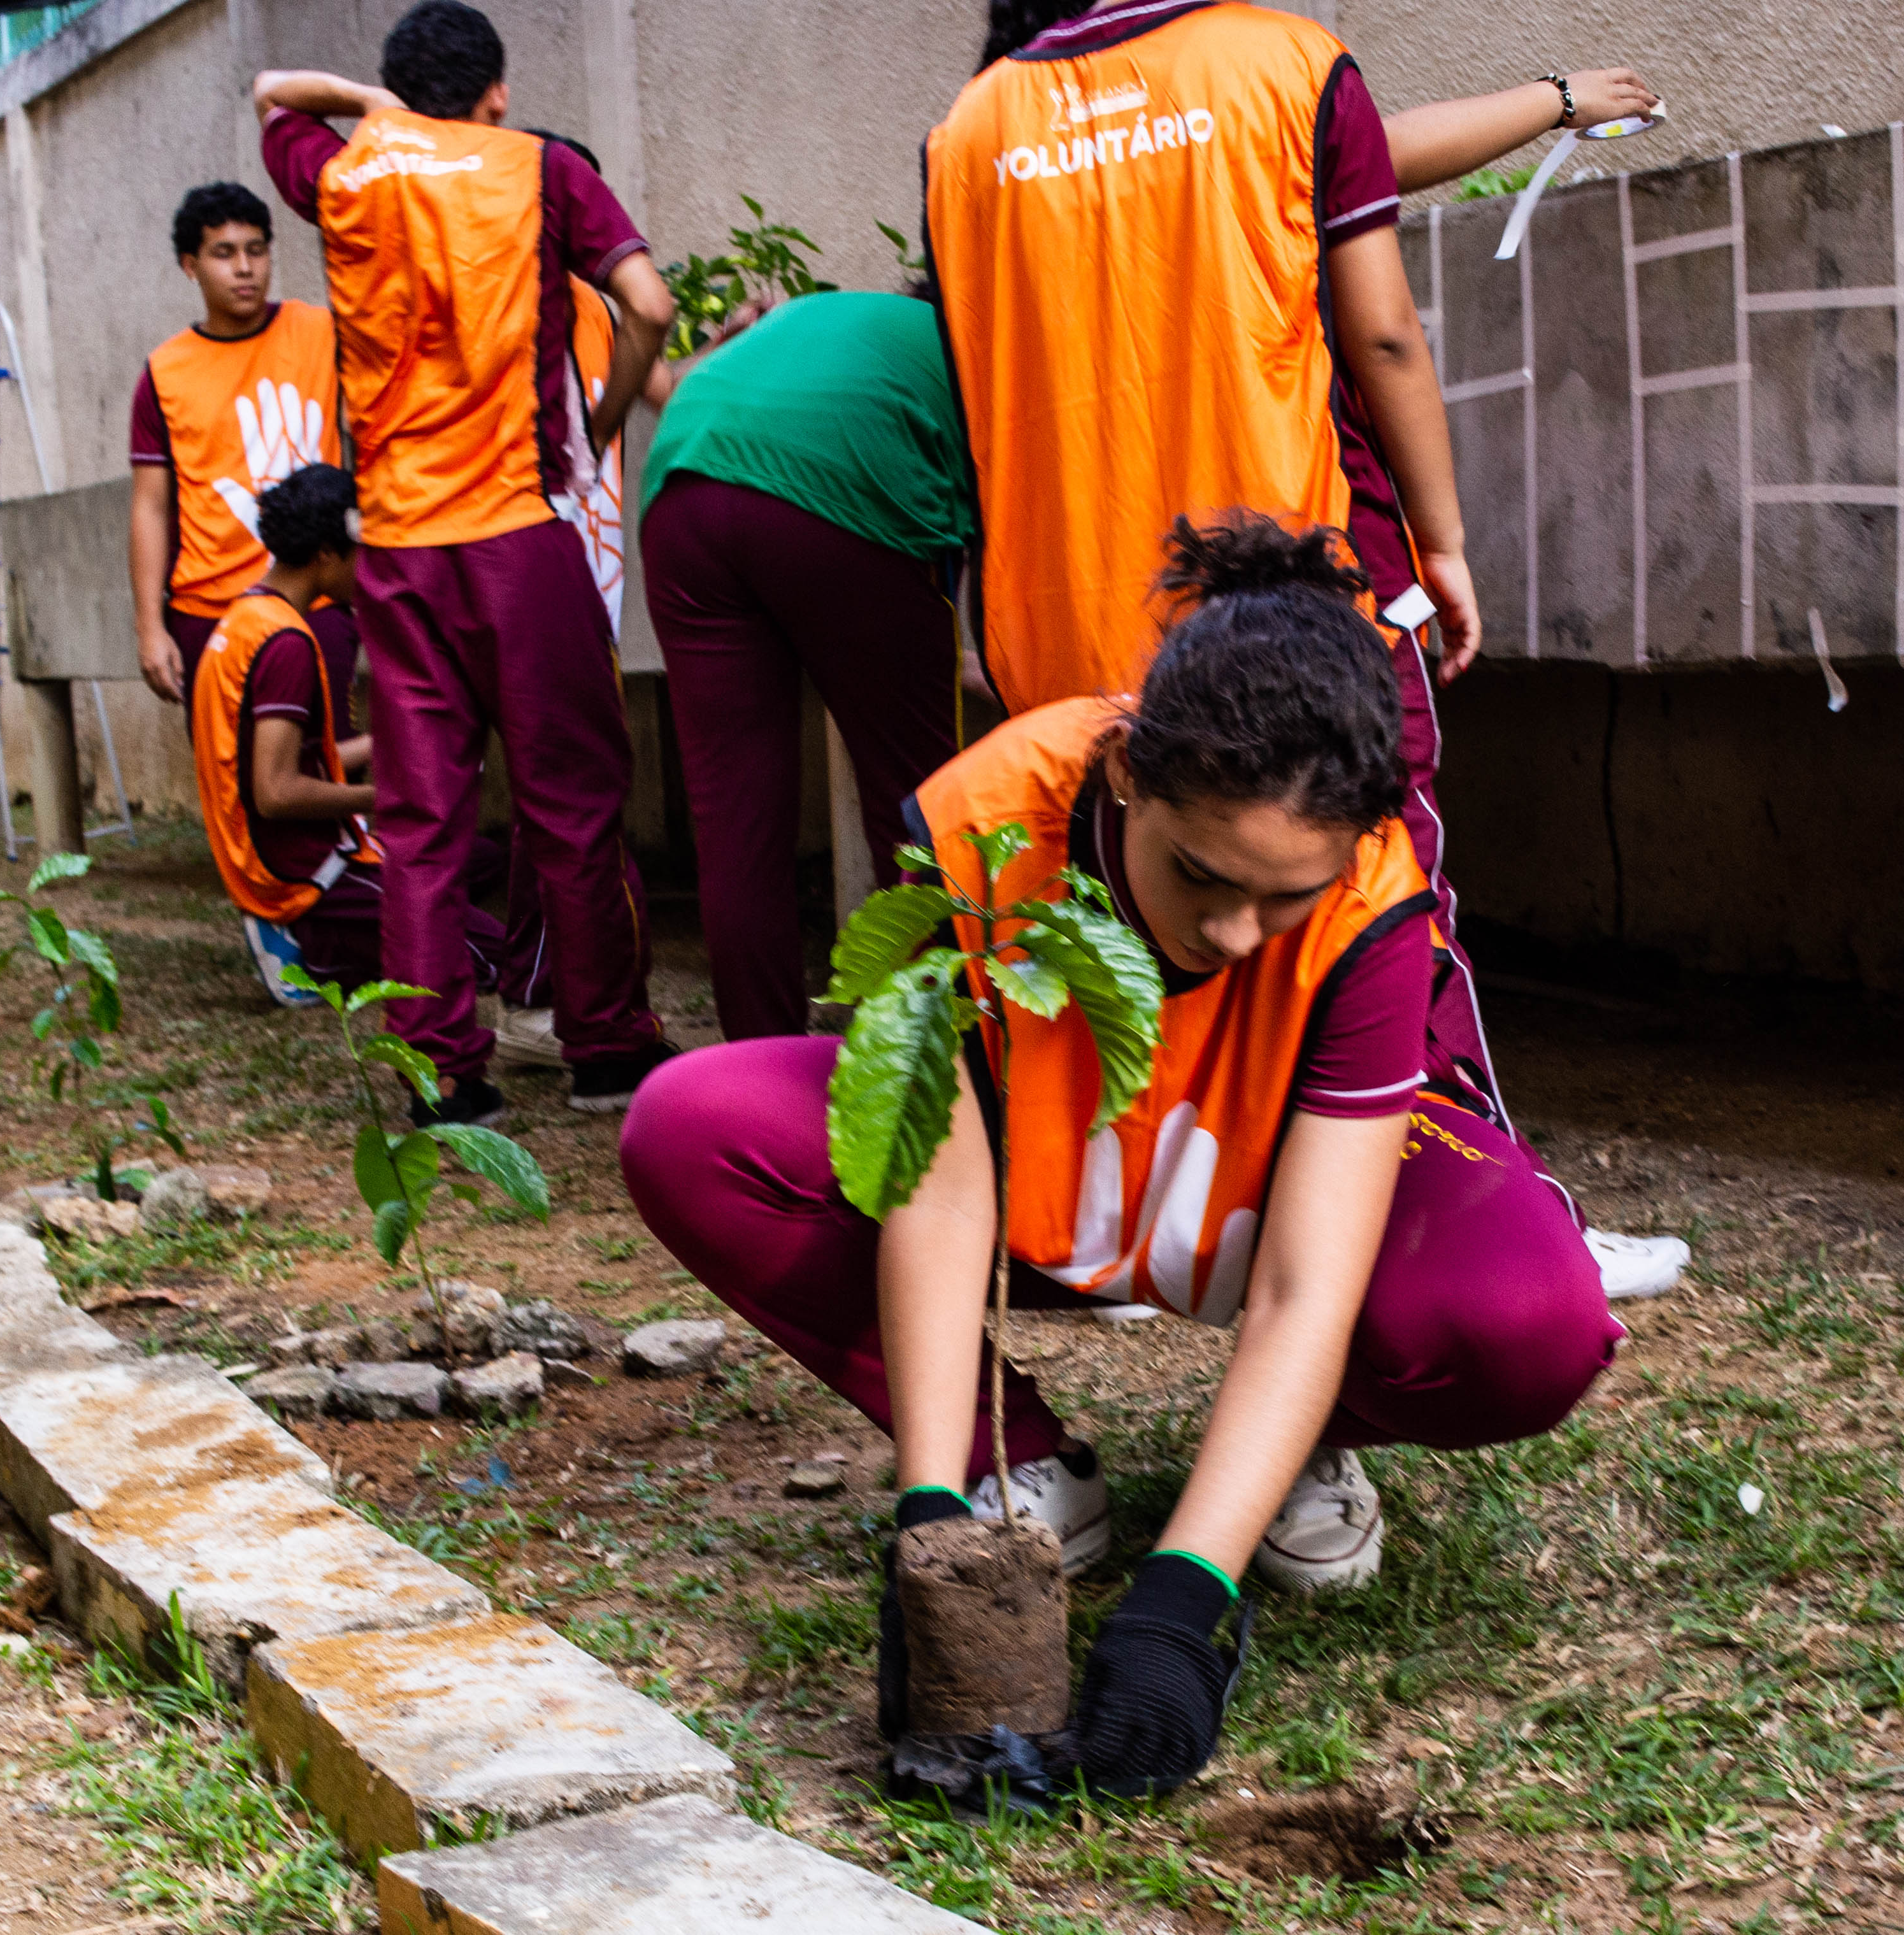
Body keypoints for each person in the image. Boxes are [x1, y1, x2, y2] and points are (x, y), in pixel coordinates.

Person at [620, 517, 1630, 1796]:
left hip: (1261, 1201)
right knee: (692, 1128)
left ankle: (1294, 1441)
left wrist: (1182, 1598)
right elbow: (937, 1173)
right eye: (1202, 876)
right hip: (1067, 1186)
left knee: (1529, 1318)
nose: (1239, 933)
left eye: (1287, 899)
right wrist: (936, 1512)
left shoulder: (1373, 898)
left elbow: (1310, 1281)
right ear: (1124, 778)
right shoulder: (988, 822)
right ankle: (1022, 1467)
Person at [930, 2, 1661, 1125]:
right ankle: (1449, 1200)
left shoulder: (967, 131)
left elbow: (978, 389)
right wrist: (1445, 542)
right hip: (1288, 601)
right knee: (1373, 879)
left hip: (1063, 603)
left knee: (1123, 899)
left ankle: (1121, 1210)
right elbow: (1380, 336)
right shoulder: (1283, 61)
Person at [251, 1, 676, 1126]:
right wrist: (604, 409)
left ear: (397, 89)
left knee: (424, 817)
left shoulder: (348, 174)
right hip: (517, 534)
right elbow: (648, 303)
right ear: (497, 91)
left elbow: (275, 96)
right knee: (574, 802)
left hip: (395, 548)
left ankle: (445, 1075)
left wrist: (369, 110)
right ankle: (606, 1053)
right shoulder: (538, 168)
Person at [633, 288, 971, 1043]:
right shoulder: (974, 346)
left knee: (735, 819)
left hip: (683, 490)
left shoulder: (828, 313)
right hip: (840, 499)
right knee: (915, 803)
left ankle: (760, 1055)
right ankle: (928, 1047)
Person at [129, 182, 350, 717]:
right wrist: (150, 628)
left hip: (315, 601)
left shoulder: (323, 332)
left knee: (326, 772)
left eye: (256, 250)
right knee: (235, 782)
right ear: (190, 265)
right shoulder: (164, 373)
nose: (245, 268)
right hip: (209, 610)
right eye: (224, 254)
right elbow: (150, 508)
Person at [187, 466, 385, 993]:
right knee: (479, 948)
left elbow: (282, 762)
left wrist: (377, 747)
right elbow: (275, 793)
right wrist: (382, 799)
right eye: (360, 550)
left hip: (276, 862)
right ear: (326, 554)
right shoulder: (287, 643)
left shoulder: (246, 620)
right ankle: (307, 948)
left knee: (477, 867)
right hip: (305, 879)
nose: (368, 564)